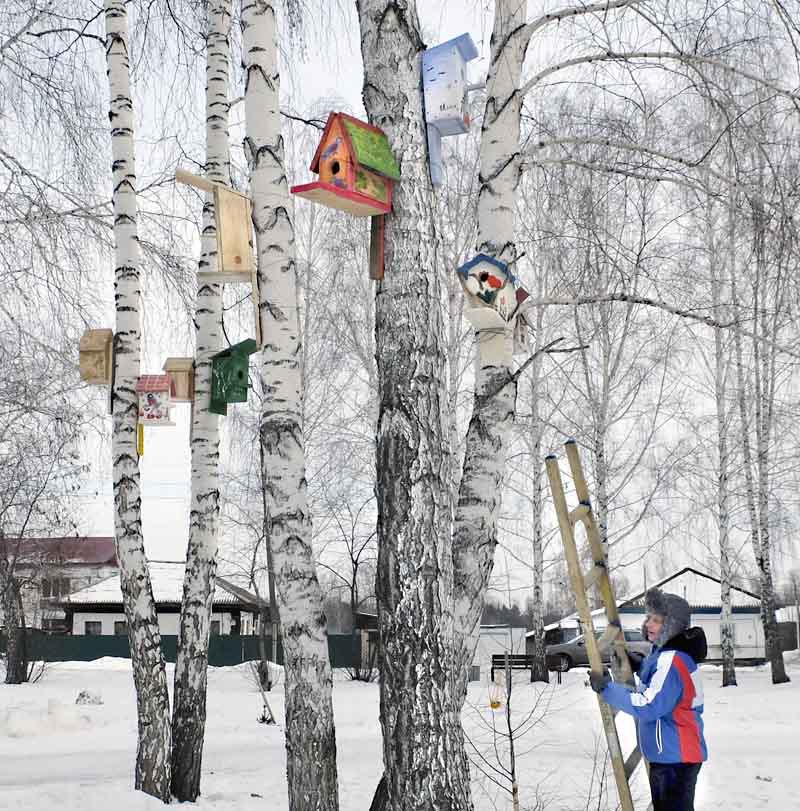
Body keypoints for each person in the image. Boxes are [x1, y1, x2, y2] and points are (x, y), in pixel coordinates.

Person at [589, 588, 708, 811]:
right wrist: (641, 665)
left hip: (676, 759)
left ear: (672, 625)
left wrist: (608, 689)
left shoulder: (671, 661)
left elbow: (651, 705)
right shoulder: (666, 655)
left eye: (656, 620)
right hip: (672, 755)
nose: (648, 624)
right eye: (648, 618)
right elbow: (662, 686)